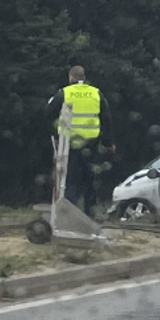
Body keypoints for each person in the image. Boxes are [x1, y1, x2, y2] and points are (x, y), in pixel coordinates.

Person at [46, 66, 115, 217]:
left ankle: (68, 212)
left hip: (69, 144)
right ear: (84, 77)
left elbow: (48, 114)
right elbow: (106, 118)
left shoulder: (64, 93)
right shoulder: (96, 93)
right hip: (91, 144)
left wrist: (55, 134)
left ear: (71, 77)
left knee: (69, 178)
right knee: (90, 178)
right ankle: (90, 212)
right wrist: (108, 143)